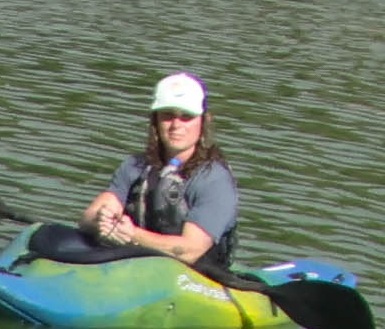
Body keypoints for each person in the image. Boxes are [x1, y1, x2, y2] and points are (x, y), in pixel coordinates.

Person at [40, 69, 240, 277]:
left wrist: (132, 235)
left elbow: (190, 249)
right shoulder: (135, 166)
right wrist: (102, 221)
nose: (176, 125)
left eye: (186, 117)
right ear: (155, 120)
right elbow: (87, 217)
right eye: (167, 115)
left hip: (196, 276)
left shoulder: (214, 179)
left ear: (203, 121)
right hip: (140, 267)